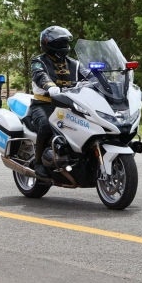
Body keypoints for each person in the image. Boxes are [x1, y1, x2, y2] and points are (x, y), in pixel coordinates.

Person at [27, 26, 89, 179]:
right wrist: (50, 86)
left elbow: (89, 76)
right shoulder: (38, 61)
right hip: (44, 104)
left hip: (69, 104)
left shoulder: (74, 64)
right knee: (46, 125)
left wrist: (104, 82)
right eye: (60, 42)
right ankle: (39, 163)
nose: (64, 45)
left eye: (65, 42)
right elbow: (39, 75)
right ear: (49, 44)